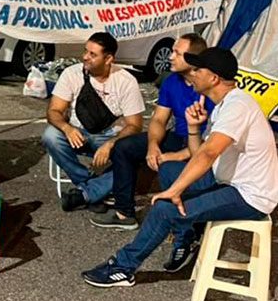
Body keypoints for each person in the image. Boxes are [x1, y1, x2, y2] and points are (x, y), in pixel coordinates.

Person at [82, 48, 278, 287]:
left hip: (249, 196)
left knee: (165, 208)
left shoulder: (238, 107)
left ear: (213, 78)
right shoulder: (226, 104)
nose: (192, 74)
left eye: (197, 70)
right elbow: (199, 152)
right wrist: (194, 128)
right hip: (226, 181)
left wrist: (174, 191)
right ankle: (185, 235)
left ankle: (123, 268)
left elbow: (208, 153)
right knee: (169, 170)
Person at [90, 33, 212, 230]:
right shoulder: (172, 81)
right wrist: (153, 146)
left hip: (203, 143)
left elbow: (214, 143)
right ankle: (124, 213)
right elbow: (158, 119)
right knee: (124, 147)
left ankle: (182, 224)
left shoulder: (210, 86)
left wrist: (176, 155)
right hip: (179, 136)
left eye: (177, 53)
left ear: (193, 60)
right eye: (172, 51)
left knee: (169, 167)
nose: (170, 57)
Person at [42, 32, 145, 212]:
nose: (85, 57)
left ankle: (85, 194)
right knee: (50, 135)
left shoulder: (126, 81)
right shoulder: (71, 74)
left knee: (136, 158)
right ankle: (90, 185)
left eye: (92, 54)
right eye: (85, 51)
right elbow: (53, 111)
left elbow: (135, 125)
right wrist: (67, 128)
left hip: (110, 137)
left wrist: (111, 144)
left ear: (108, 58)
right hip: (78, 133)